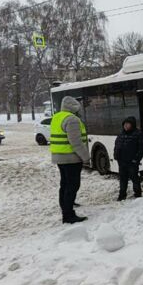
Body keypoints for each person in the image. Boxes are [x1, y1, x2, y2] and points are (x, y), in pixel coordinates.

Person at [50, 96, 90, 224]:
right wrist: (86, 157)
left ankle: (65, 209)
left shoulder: (57, 117)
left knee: (65, 185)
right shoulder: (72, 119)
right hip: (71, 158)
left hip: (60, 158)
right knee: (72, 185)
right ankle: (68, 215)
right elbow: (76, 142)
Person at [114, 116, 143, 201]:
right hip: (122, 161)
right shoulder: (121, 134)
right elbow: (117, 145)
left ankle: (138, 194)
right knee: (122, 179)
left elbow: (142, 149)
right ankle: (122, 195)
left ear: (132, 125)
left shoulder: (138, 134)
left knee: (134, 178)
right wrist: (116, 155)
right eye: (125, 124)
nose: (126, 126)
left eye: (128, 124)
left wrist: (136, 160)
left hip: (132, 162)